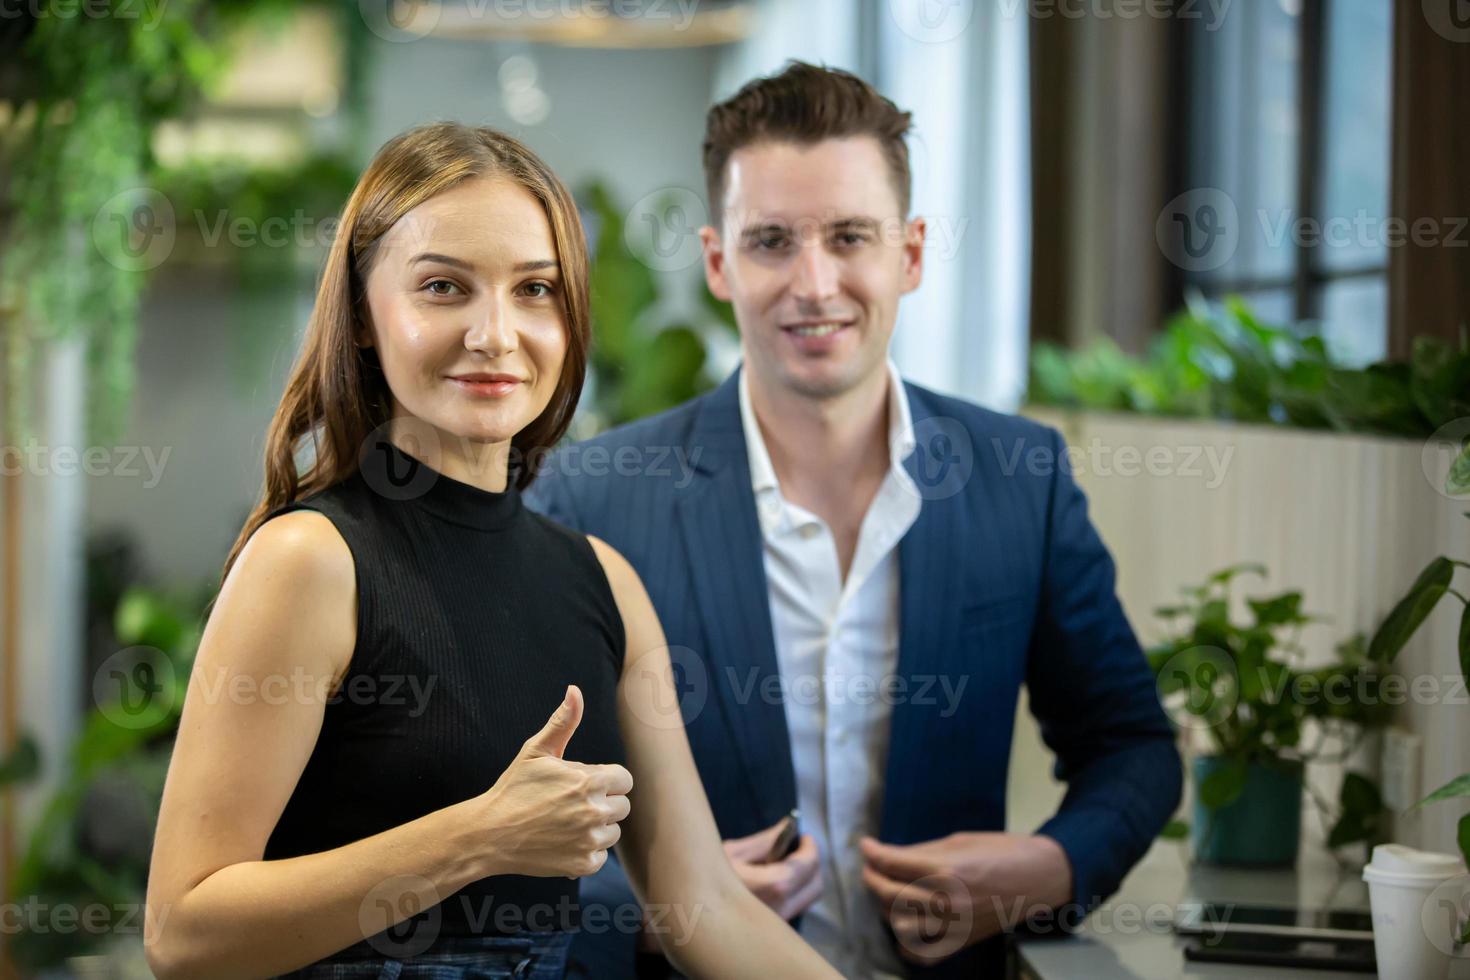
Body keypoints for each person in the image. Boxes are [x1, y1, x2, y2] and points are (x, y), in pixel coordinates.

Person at [525, 62, 1183, 979]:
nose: (815, 282)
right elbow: (514, 806)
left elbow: (1133, 749)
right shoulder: (594, 496)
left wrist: (1048, 867)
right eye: (771, 242)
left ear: (909, 254)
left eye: (849, 236)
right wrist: (668, 910)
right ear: (719, 261)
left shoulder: (1018, 478)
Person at [143, 122, 843, 980]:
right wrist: (479, 837)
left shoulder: (605, 584)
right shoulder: (310, 561)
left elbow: (709, 909)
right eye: (444, 287)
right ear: (364, 317)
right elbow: (183, 933)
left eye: (536, 290)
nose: (496, 335)